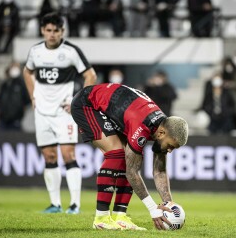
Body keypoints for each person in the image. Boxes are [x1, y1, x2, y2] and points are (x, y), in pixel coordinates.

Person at [71, 83, 189, 230]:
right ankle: (101, 219)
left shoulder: (162, 128)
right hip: (87, 103)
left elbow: (160, 171)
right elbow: (131, 172)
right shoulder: (142, 125)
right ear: (161, 133)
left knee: (130, 158)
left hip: (114, 109)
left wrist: (168, 204)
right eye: (170, 146)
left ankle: (120, 217)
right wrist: (153, 209)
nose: (170, 151)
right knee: (117, 155)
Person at [23, 12, 97, 214]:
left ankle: (75, 204)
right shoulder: (35, 51)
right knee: (49, 156)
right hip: (42, 112)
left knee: (68, 154)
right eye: (48, 30)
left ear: (62, 31)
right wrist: (33, 96)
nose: (52, 34)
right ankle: (55, 204)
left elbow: (90, 75)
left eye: (56, 30)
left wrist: (78, 100)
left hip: (64, 112)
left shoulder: (71, 51)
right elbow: (27, 71)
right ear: (42, 31)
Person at [0, 62, 30, 131]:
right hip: (3, 119)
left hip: (16, 119)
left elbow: (27, 99)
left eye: (16, 67)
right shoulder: (5, 84)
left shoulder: (21, 84)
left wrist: (21, 108)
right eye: (12, 67)